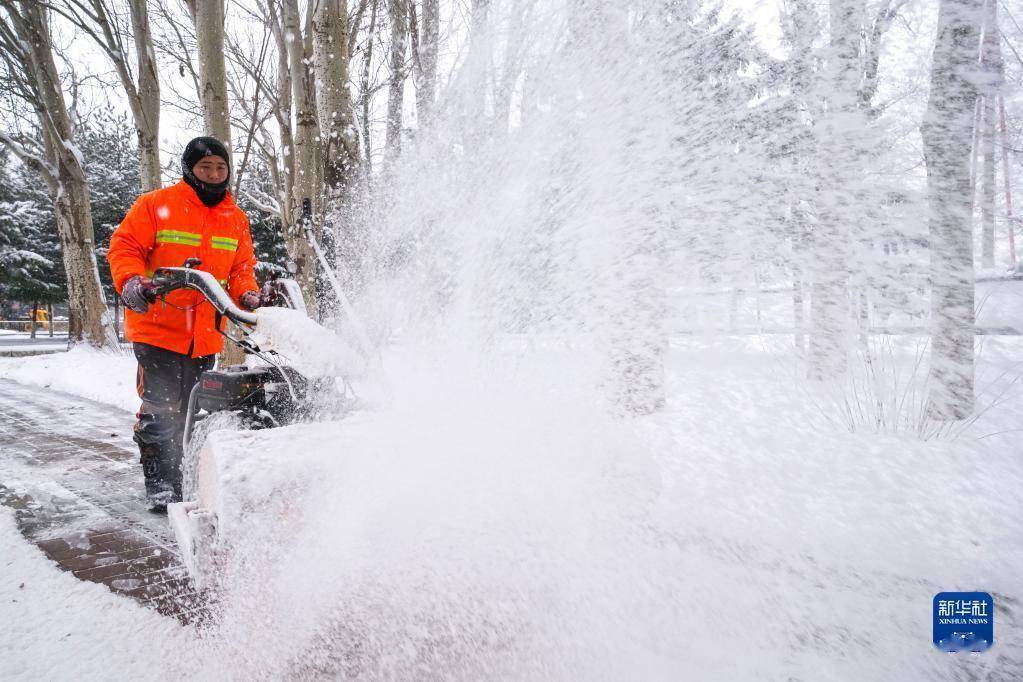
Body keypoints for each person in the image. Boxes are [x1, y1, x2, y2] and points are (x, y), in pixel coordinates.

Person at [107, 136, 263, 513]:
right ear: (189, 170)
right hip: (158, 327)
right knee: (163, 409)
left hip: (205, 334)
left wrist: (248, 295)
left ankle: (187, 476)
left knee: (193, 409)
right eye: (205, 167)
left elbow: (242, 268)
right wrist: (130, 282)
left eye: (220, 168)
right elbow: (124, 246)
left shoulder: (235, 217)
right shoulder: (156, 205)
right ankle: (162, 486)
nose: (213, 174)